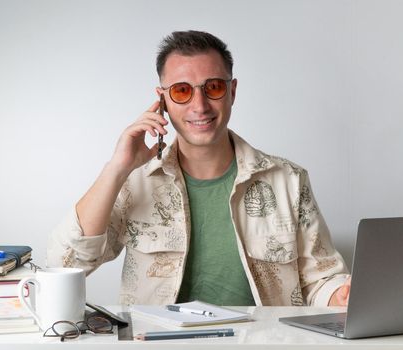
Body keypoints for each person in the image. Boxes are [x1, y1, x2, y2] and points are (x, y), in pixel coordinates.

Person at [47, 30, 351, 306]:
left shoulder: (289, 180)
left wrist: (341, 294)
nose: (200, 105)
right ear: (163, 99)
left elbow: (320, 279)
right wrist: (116, 168)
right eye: (182, 91)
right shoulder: (133, 182)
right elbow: (66, 265)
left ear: (232, 91)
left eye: (214, 87)